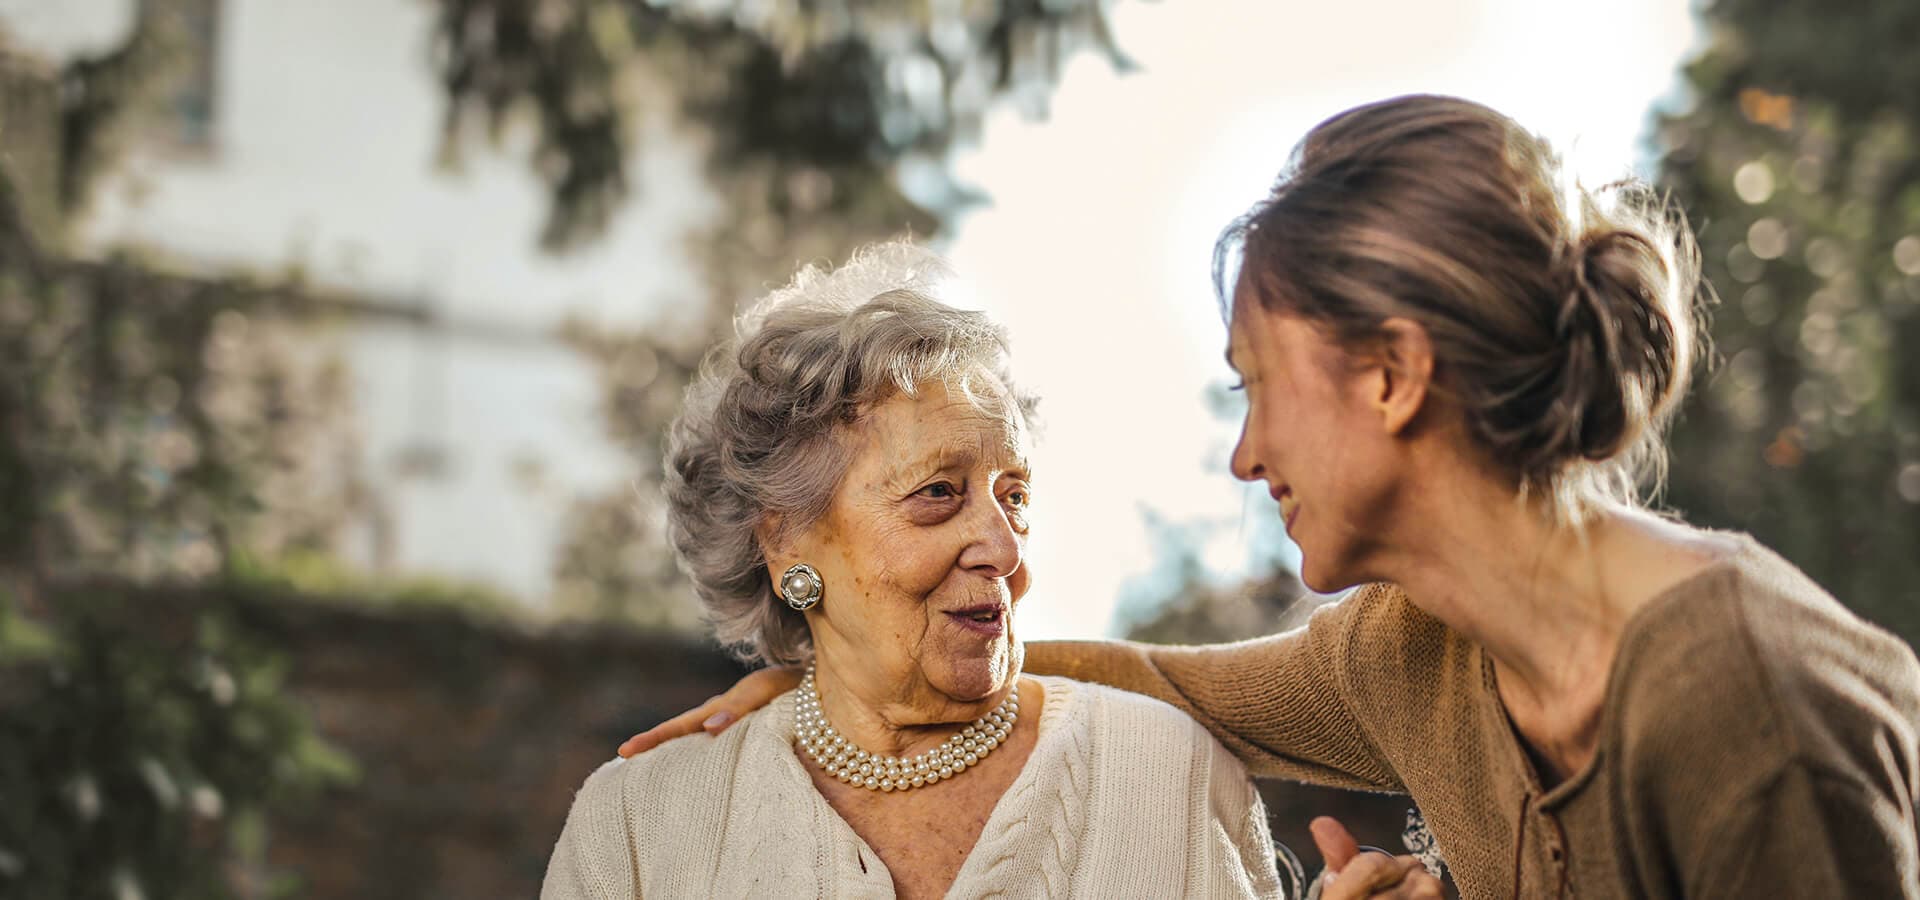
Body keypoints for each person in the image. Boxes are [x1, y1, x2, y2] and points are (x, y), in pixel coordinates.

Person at [620, 95, 1920, 899]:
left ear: (1395, 376)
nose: (1245, 456)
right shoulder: (1414, 653)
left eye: (1256, 385)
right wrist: (844, 671)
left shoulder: (1738, 701)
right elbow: (1162, 683)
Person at [542, 243, 1407, 899]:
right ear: (786, 543)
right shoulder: (641, 827)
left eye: (1014, 494)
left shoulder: (1164, 772)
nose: (1003, 546)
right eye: (939, 493)